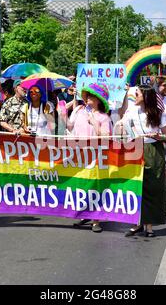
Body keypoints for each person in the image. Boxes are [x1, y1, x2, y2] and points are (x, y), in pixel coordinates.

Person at [118, 85, 166, 237]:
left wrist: (158, 136)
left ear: (145, 96)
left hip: (154, 150)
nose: (135, 96)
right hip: (135, 149)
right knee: (136, 186)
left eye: (137, 94)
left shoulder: (158, 113)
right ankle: (136, 223)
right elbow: (120, 119)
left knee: (152, 186)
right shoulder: (132, 112)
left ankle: (149, 225)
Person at [69, 83, 112, 233]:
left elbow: (107, 137)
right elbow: (70, 127)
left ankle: (96, 220)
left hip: (97, 157)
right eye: (87, 96)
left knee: (95, 187)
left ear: (98, 100)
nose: (87, 99)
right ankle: (85, 214)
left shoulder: (104, 117)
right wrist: (61, 114)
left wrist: (95, 123)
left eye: (91, 96)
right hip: (80, 156)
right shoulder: (80, 112)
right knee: (81, 185)